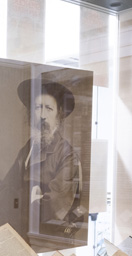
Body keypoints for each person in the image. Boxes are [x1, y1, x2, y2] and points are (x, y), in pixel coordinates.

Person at [15, 79, 84, 239]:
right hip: (24, 231)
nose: (43, 116)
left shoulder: (68, 154)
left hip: (49, 236)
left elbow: (54, 203)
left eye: (49, 109)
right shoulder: (27, 149)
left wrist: (20, 203)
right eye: (38, 108)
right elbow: (9, 188)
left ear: (58, 116)